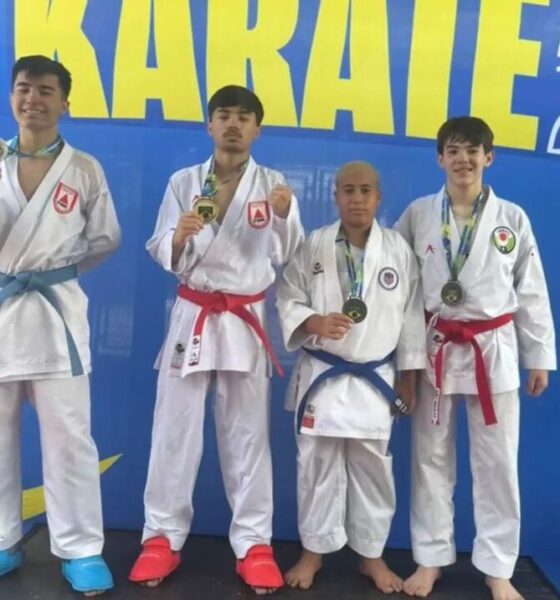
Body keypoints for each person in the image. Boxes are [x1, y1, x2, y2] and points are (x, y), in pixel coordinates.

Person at [128, 85, 303, 594]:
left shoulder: (274, 185)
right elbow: (159, 245)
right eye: (223, 115)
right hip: (194, 313)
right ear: (209, 125)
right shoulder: (184, 182)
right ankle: (161, 539)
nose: (233, 124)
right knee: (174, 430)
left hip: (244, 317)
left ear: (257, 130)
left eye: (243, 117)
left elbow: (287, 253)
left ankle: (254, 544)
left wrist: (284, 214)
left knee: (248, 434)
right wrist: (179, 236)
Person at [394, 116, 556, 600]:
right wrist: (403, 358)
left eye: (472, 151)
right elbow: (399, 286)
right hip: (437, 349)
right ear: (439, 158)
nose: (462, 159)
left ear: (489, 157)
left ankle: (497, 567)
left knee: (497, 464)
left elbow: (532, 290)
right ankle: (430, 559)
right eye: (453, 150)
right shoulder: (418, 214)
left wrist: (539, 356)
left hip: (493, 349)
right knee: (430, 459)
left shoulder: (512, 218)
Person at [0, 55, 121, 596]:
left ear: (65, 102)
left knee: (70, 438)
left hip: (55, 315)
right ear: (11, 97)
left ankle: (80, 547)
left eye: (46, 91)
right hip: (1, 310)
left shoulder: (84, 169)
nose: (34, 99)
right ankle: (2, 538)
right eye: (24, 88)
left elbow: (105, 239)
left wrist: (52, 272)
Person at [276, 161, 425, 593]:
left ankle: (371, 556)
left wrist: (409, 379)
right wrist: (314, 322)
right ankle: (313, 551)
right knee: (315, 467)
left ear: (378, 198)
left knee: (373, 471)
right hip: (323, 375)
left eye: (365, 191)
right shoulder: (314, 244)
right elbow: (288, 296)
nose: (356, 199)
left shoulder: (398, 250)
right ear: (335, 196)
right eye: (348, 191)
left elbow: (412, 317)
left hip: (375, 379)